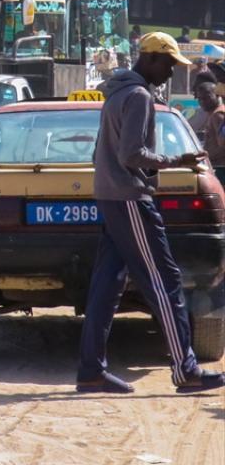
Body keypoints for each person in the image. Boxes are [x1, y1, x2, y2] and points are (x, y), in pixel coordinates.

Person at [78, 32, 223, 394]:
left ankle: (91, 371)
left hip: (112, 198)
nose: (171, 73)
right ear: (152, 59)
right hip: (130, 198)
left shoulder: (117, 93)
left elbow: (103, 153)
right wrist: (177, 160)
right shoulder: (140, 96)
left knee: (106, 286)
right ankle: (186, 370)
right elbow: (131, 155)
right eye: (170, 64)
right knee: (165, 280)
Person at [196, 81, 225, 182]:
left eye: (206, 97)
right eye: (199, 98)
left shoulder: (218, 115)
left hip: (220, 168)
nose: (202, 101)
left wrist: (205, 157)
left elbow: (223, 145)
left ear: (217, 95)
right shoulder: (213, 114)